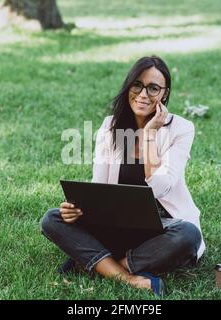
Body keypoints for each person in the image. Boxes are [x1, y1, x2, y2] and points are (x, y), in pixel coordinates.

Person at [41, 56, 205, 296]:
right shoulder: (110, 126)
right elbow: (100, 190)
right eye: (137, 85)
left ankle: (98, 265)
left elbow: (161, 187)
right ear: (129, 86)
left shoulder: (181, 129)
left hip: (165, 227)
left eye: (153, 88)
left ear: (165, 94)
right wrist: (78, 211)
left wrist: (149, 135)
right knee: (52, 219)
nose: (143, 94)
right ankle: (129, 278)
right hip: (118, 226)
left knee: (189, 235)